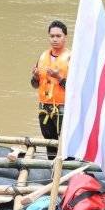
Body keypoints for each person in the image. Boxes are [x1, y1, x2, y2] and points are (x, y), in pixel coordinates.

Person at [30, 20, 69, 158]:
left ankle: (67, 173)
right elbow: (34, 85)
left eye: (58, 36)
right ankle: (52, 171)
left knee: (65, 145)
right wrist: (35, 77)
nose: (55, 39)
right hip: (44, 108)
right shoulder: (42, 57)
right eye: (52, 36)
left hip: (63, 108)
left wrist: (59, 78)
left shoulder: (72, 58)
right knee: (50, 144)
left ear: (65, 37)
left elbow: (76, 90)